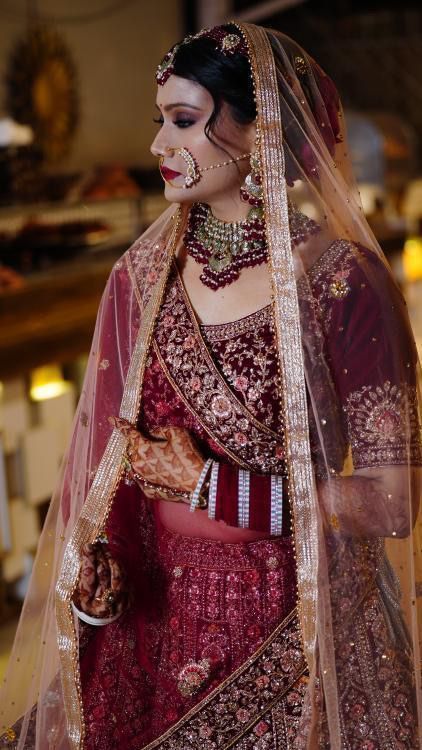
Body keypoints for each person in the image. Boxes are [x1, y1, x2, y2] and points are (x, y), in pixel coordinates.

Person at [1, 22, 421, 750]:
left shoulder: (342, 284)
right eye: (159, 122)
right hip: (161, 628)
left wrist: (213, 489)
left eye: (185, 121)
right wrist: (96, 589)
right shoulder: (140, 280)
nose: (160, 146)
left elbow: (395, 501)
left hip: (303, 634)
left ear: (261, 131)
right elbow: (108, 484)